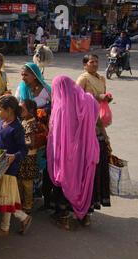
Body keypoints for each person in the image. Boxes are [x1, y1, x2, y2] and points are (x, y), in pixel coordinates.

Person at [47, 75, 100, 230]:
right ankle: (85, 217)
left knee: (67, 181)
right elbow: (96, 112)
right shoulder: (88, 101)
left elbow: (56, 137)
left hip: (69, 154)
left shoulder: (62, 108)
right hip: (87, 149)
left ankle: (63, 218)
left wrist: (55, 154)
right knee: (84, 180)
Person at [0, 95, 32, 237]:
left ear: (9, 110)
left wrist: (14, 157)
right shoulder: (2, 123)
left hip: (9, 167)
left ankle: (23, 217)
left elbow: (23, 150)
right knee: (6, 198)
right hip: (0, 165)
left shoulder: (17, 128)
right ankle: (5, 227)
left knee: (6, 198)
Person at [76, 54, 112, 221]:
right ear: (85, 65)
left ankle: (88, 209)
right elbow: (76, 102)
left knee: (97, 171)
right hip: (86, 128)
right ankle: (80, 208)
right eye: (91, 62)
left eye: (97, 61)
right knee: (85, 171)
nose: (95, 64)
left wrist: (105, 100)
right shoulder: (83, 80)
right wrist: (96, 99)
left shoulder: (101, 79)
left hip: (99, 125)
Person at [15, 62, 52, 208]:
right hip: (27, 126)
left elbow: (55, 108)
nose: (23, 77)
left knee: (41, 161)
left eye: (26, 75)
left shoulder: (46, 90)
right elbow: (18, 106)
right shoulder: (22, 88)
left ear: (35, 75)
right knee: (28, 160)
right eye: (22, 74)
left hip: (43, 130)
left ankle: (37, 193)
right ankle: (29, 196)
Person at [17, 99, 47, 215]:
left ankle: (27, 206)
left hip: (28, 158)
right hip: (24, 156)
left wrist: (19, 143)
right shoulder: (25, 121)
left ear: (30, 111)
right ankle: (22, 202)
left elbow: (32, 143)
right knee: (21, 181)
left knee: (27, 183)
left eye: (22, 109)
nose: (19, 111)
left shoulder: (30, 124)